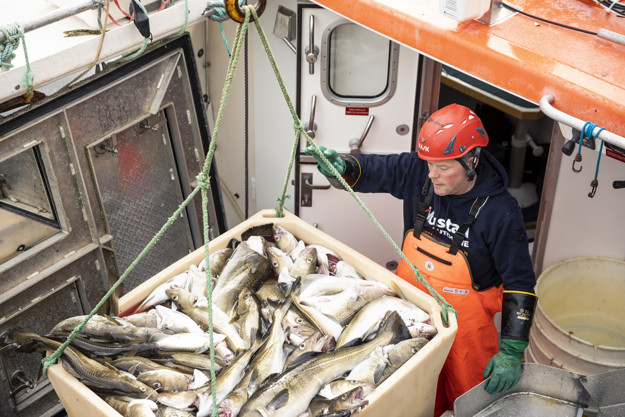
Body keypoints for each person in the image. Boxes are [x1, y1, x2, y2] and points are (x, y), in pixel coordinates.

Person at [305, 103, 538, 416]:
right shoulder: (421, 172)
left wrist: (512, 350)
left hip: (466, 336)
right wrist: (344, 166)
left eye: (443, 167)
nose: (432, 175)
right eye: (429, 164)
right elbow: (377, 170)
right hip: (410, 317)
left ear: (472, 160)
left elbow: (520, 284)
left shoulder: (502, 213)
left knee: (473, 404)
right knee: (412, 394)